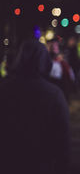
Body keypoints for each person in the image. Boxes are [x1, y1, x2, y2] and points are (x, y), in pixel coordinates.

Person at [0, 39, 70, 174]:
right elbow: (63, 139)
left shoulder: (4, 88)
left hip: (8, 162)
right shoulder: (53, 94)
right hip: (41, 164)